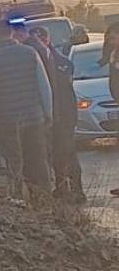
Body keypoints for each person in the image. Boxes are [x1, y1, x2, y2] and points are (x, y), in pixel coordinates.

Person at [0, 21, 54, 202]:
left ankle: (18, 199)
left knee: (13, 159)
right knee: (37, 158)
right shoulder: (30, 53)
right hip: (33, 117)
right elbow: (44, 87)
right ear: (12, 33)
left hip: (5, 120)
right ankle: (44, 199)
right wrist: (48, 113)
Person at [32, 26, 85, 203]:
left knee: (68, 153)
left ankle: (76, 189)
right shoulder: (36, 62)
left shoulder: (61, 62)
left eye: (40, 39)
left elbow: (64, 89)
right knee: (54, 154)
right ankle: (62, 188)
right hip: (48, 116)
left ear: (47, 39)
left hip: (64, 115)